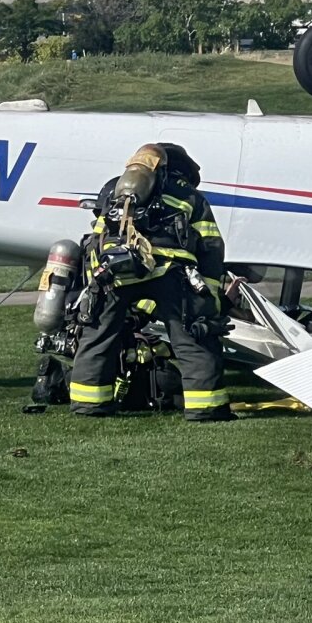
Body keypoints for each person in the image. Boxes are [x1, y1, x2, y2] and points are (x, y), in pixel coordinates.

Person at [68, 143, 234, 421]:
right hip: (172, 273)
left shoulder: (113, 190)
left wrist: (94, 285)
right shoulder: (189, 195)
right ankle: (205, 408)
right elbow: (210, 249)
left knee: (97, 337)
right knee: (193, 339)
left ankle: (88, 404)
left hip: (113, 271)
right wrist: (210, 298)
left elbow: (94, 241)